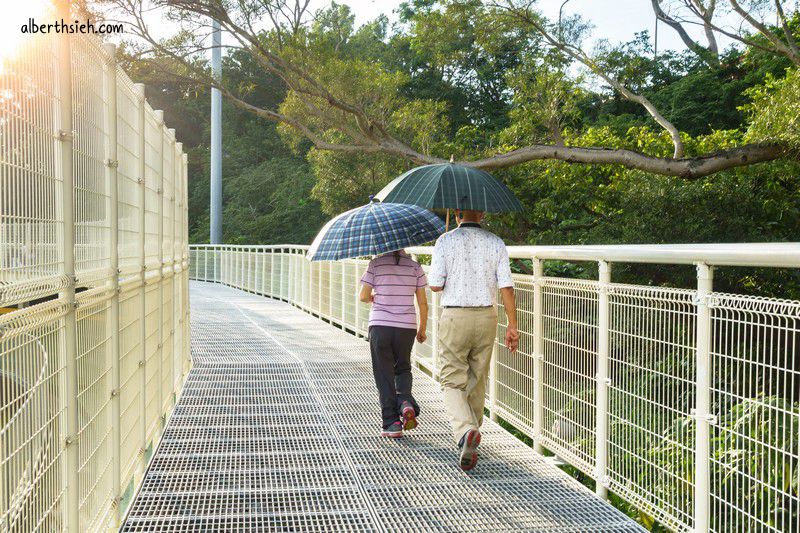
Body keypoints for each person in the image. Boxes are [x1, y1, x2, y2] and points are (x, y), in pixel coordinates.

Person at [428, 209, 519, 471]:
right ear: (482, 213)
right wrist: (512, 325)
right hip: (486, 316)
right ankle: (474, 434)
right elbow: (506, 286)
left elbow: (435, 284)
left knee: (451, 380)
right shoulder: (496, 242)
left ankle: (466, 431)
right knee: (477, 378)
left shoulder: (445, 241)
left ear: (456, 214)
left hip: (455, 316)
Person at [360, 249, 428, 438]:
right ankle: (405, 400)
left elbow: (363, 296)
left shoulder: (375, 264)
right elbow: (423, 302)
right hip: (407, 327)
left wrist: (373, 297)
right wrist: (422, 328)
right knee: (403, 368)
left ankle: (391, 423)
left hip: (380, 326)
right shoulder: (415, 267)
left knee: (384, 374)